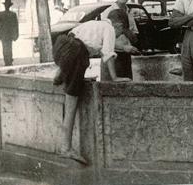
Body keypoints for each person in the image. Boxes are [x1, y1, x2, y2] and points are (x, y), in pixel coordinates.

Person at [52, 10, 133, 164]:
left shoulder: (95, 24)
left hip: (61, 45)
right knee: (72, 103)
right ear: (119, 25)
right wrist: (115, 78)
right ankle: (66, 148)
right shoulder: (109, 29)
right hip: (77, 52)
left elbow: (74, 39)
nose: (118, 36)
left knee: (80, 67)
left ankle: (61, 74)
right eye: (121, 32)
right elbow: (108, 54)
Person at [101, 0, 139, 79]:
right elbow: (104, 41)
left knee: (127, 86)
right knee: (110, 89)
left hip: (126, 57)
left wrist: (129, 37)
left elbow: (133, 34)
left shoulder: (129, 11)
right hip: (111, 58)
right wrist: (123, 46)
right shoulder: (108, 12)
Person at [0, 0, 19, 66]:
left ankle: (7, 60)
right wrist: (16, 34)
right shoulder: (13, 14)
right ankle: (9, 60)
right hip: (8, 34)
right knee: (9, 47)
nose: (6, 6)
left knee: (5, 47)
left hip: (3, 34)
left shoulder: (0, 14)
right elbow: (16, 25)